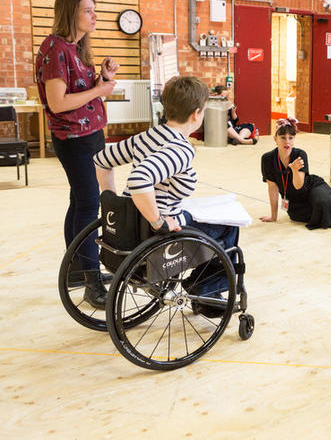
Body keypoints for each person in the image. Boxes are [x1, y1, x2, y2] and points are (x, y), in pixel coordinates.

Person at [94, 76, 240, 313]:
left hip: (131, 225)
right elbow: (140, 179)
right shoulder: (180, 148)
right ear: (196, 114)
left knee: (206, 214)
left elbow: (101, 160)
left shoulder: (148, 136)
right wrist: (157, 221)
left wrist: (112, 200)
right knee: (229, 226)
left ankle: (205, 288)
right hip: (159, 231)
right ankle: (206, 292)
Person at [35, 0, 119, 308]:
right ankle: (91, 280)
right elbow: (58, 103)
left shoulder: (76, 47)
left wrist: (102, 78)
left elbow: (80, 91)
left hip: (90, 134)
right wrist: (100, 88)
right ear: (71, 13)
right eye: (88, 10)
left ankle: (76, 270)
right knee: (87, 205)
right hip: (74, 139)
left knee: (79, 201)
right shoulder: (55, 50)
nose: (95, 16)